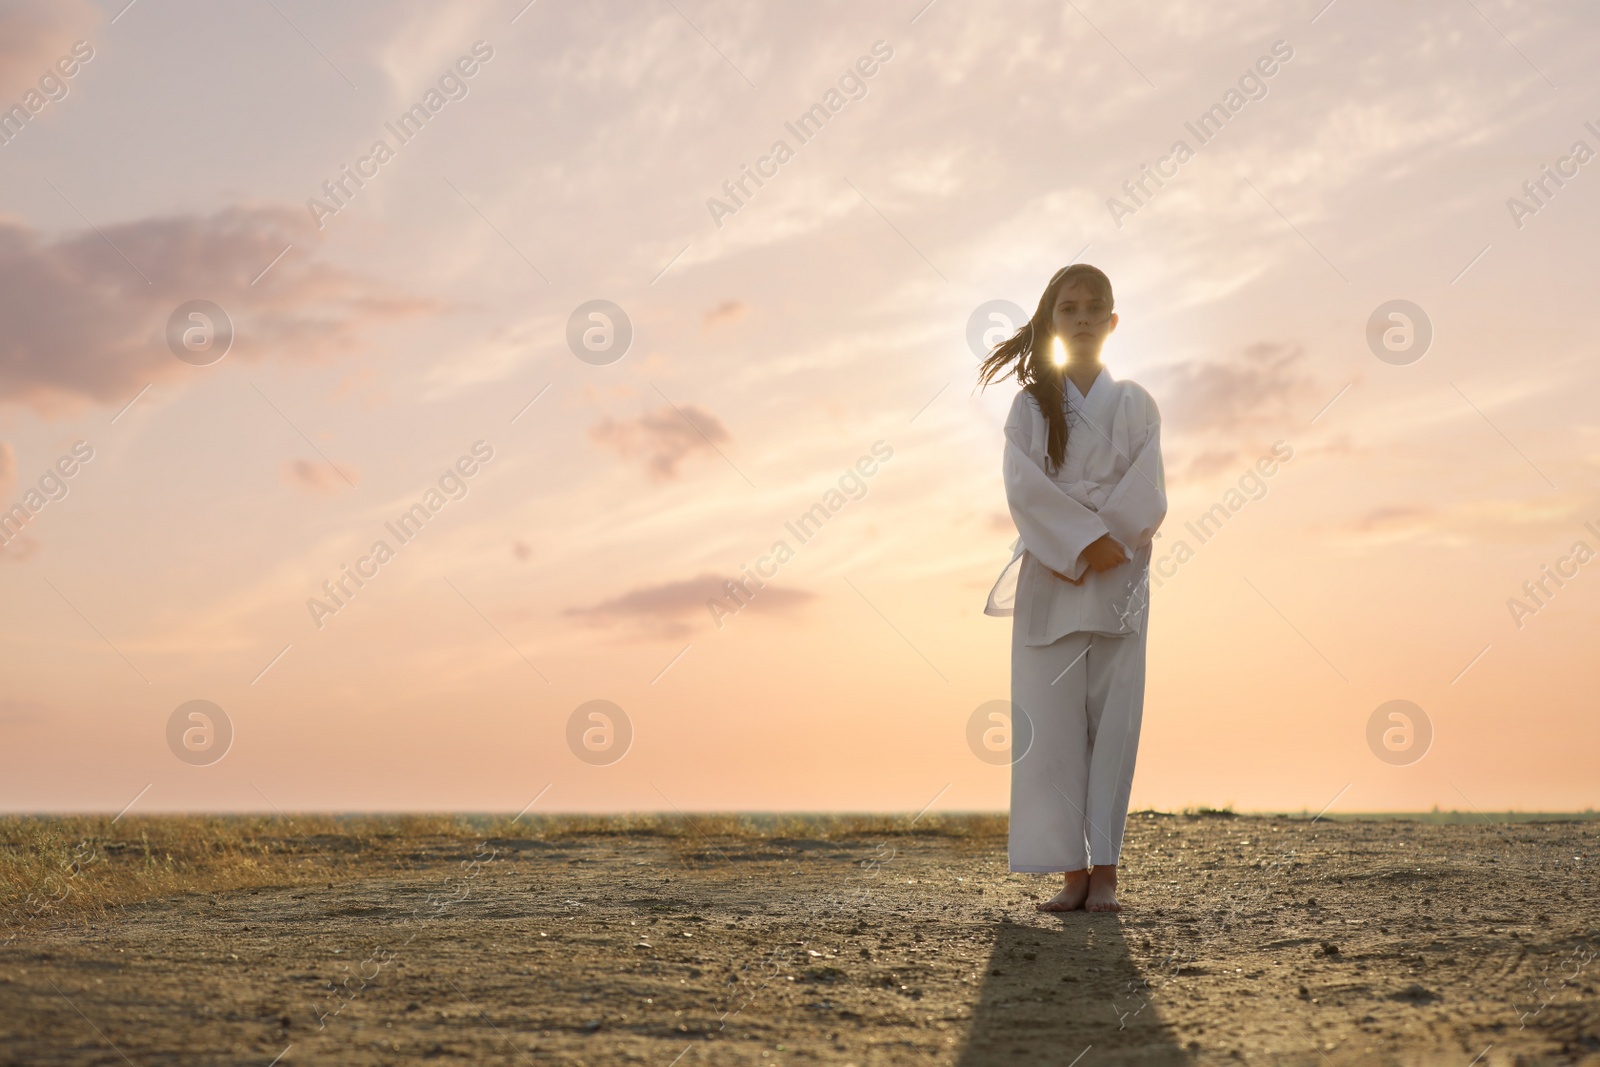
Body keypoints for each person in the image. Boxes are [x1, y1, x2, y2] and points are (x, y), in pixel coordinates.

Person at [977, 263, 1166, 913]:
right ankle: (1070, 873)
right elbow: (1022, 486)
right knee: (1052, 729)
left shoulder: (1136, 403)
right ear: (1052, 322)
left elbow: (1151, 487)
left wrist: (1109, 539)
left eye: (1094, 309)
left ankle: (1106, 870)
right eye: (1068, 308)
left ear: (1113, 323)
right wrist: (1081, 540)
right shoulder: (1032, 406)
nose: (1082, 319)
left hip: (1121, 575)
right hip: (1056, 574)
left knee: (1115, 724)